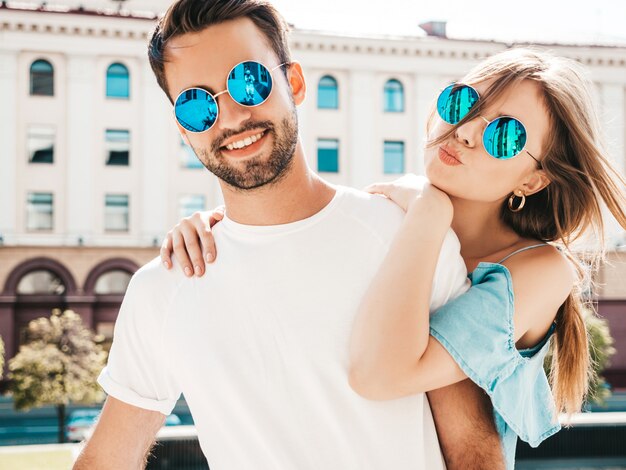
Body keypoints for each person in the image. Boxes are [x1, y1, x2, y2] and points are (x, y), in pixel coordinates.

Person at [74, 1, 505, 469]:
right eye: (197, 104)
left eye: (249, 81)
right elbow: (105, 461)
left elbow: (473, 451)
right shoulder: (164, 288)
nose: (232, 116)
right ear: (182, 127)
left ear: (294, 82)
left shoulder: (408, 237)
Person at [160, 48, 626, 469]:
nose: (462, 132)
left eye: (503, 134)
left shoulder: (542, 269)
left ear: (533, 181)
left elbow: (380, 374)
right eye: (461, 104)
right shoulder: (390, 212)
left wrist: (429, 212)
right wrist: (218, 227)